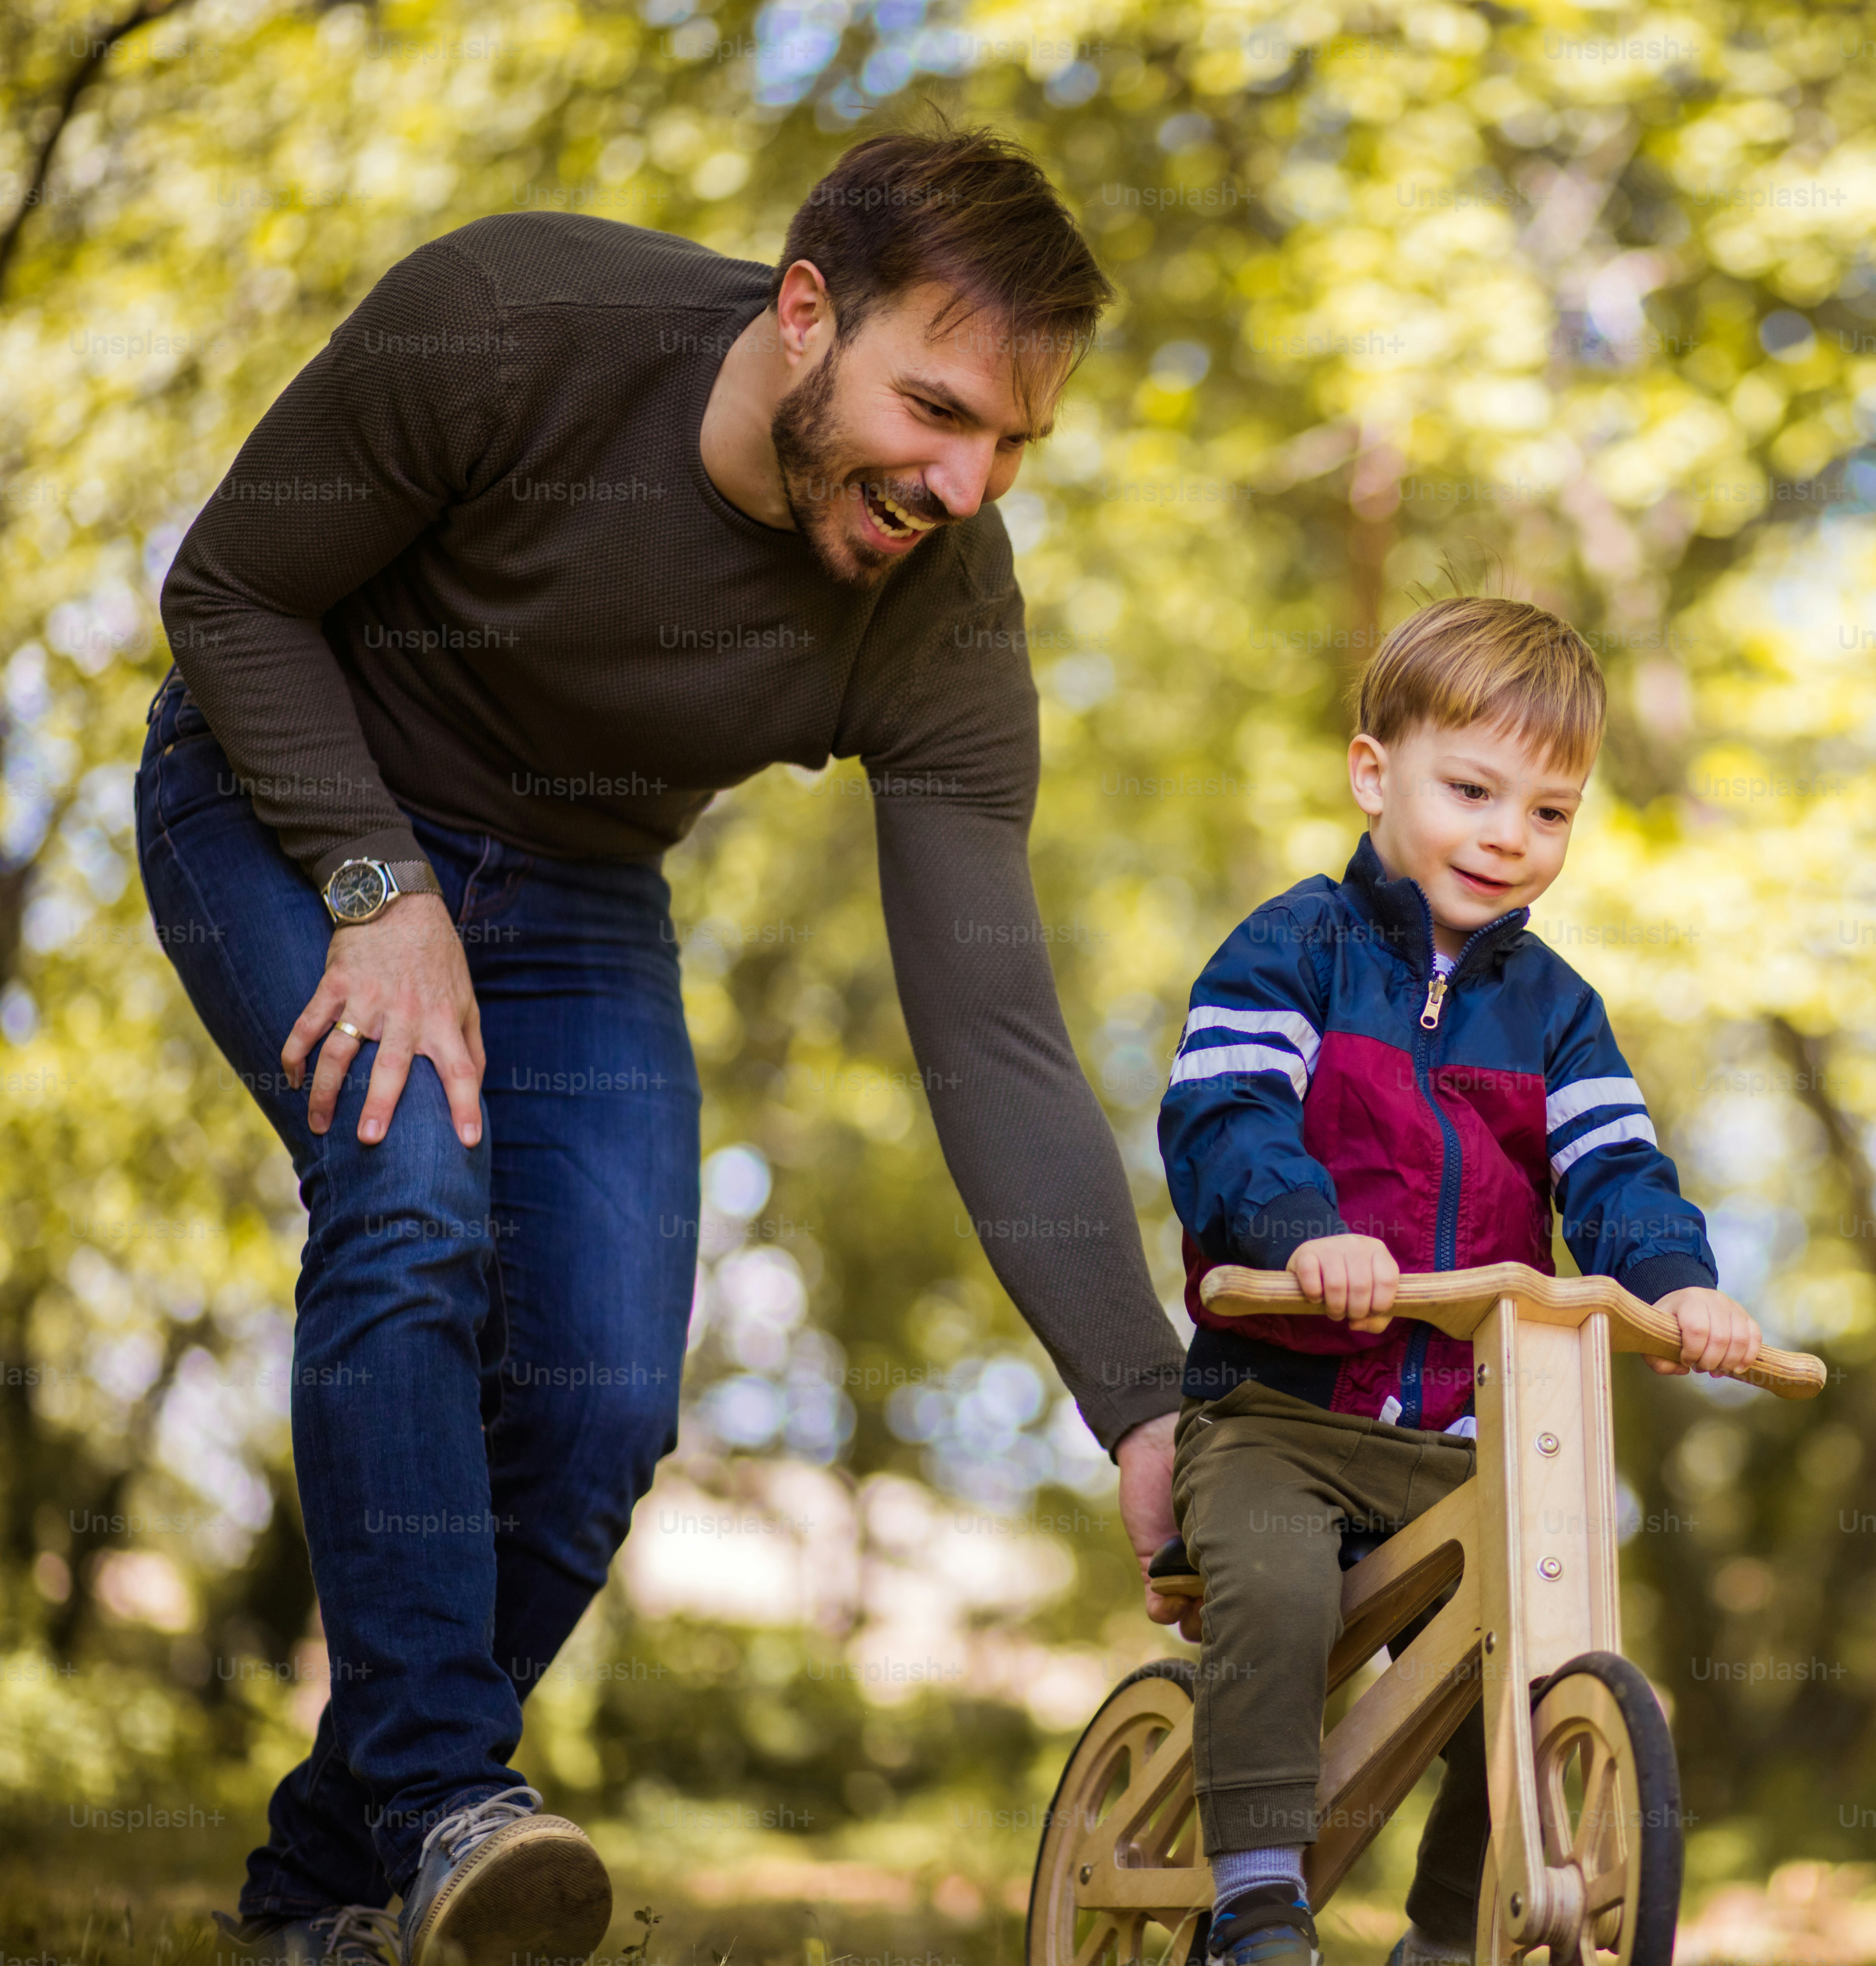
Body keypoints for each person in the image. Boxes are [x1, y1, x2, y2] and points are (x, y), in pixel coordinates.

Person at [140, 125, 1191, 1965]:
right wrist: (378, 887)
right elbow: (231, 593)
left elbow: (996, 1029)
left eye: (1015, 443)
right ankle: (455, 1801)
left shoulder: (945, 604)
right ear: (804, 313)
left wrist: (1143, 1398)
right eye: (936, 409)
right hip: (287, 791)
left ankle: (324, 1900)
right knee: (407, 1195)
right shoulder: (507, 320)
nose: (965, 482)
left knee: (603, 1403)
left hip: (573, 895)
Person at [1151, 596, 1765, 1966]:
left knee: (1535, 1634)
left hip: (1455, 1438)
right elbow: (1222, 1114)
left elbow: (1615, 1171)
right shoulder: (1288, 950)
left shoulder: (1554, 1011)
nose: (1508, 836)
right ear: (1375, 774)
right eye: (1473, 790)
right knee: (1277, 1585)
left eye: (1551, 812)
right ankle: (1256, 1890)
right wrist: (1300, 1229)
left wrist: (1680, 1287)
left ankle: (1447, 1932)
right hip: (1281, 1411)